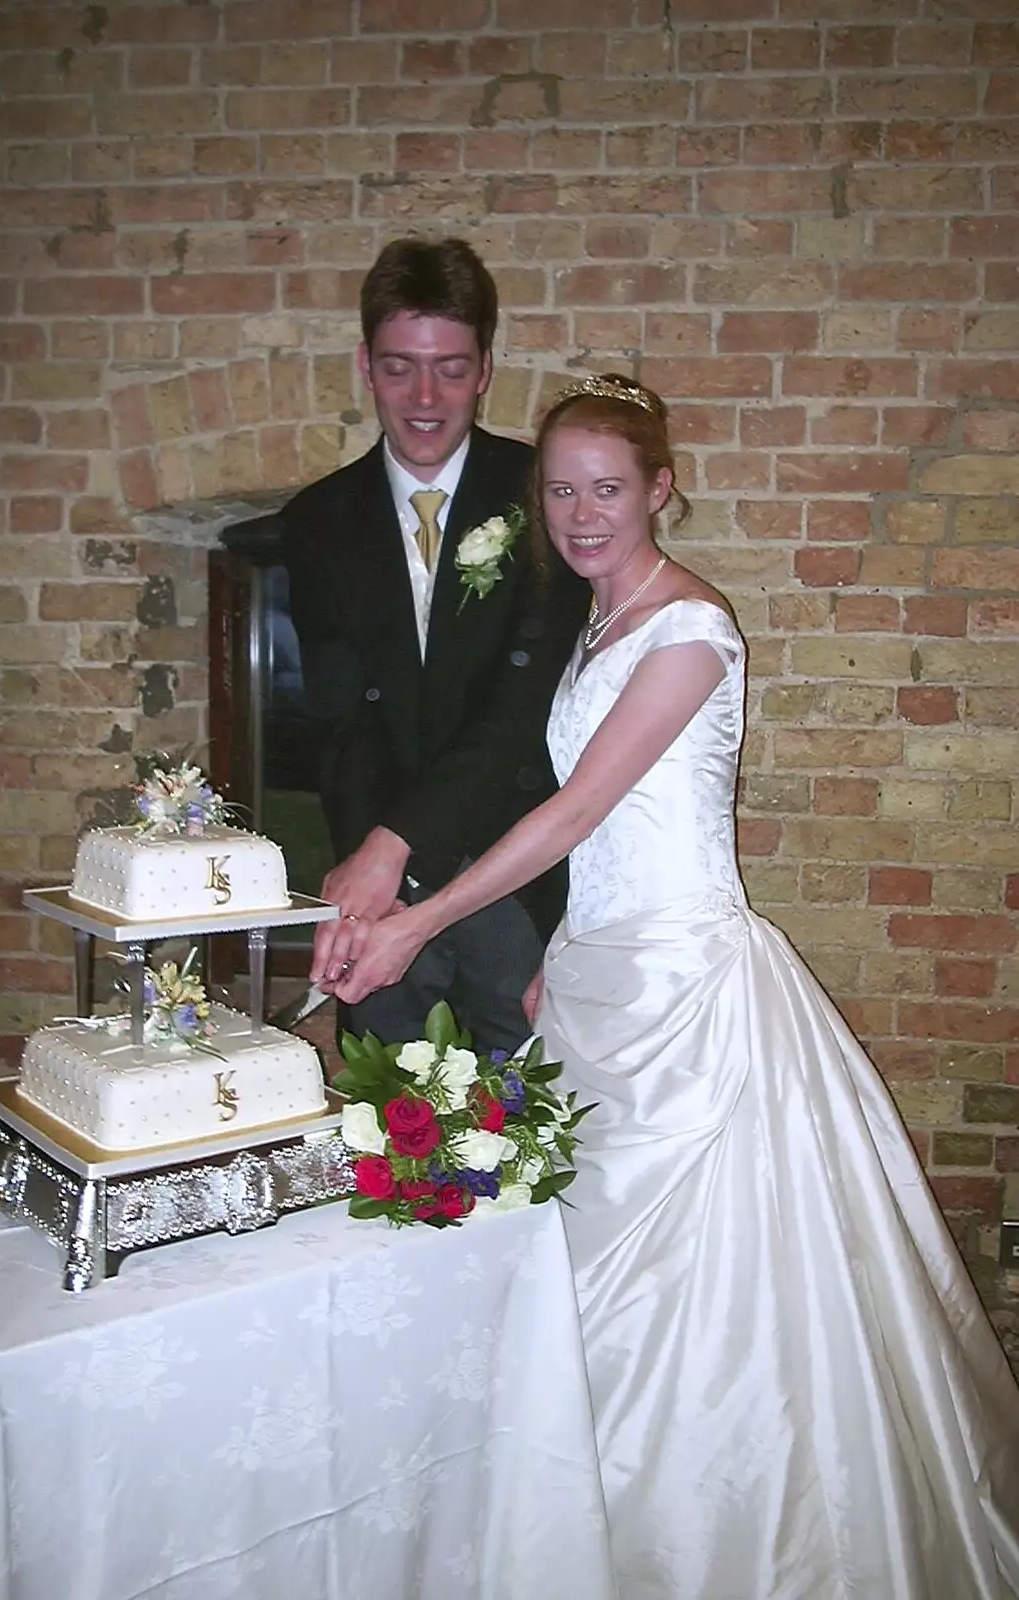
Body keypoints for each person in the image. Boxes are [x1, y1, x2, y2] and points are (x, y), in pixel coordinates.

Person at [319, 373, 1019, 1599]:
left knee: (715, 1288)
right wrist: (557, 957)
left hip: (688, 986)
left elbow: (579, 807)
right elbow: (585, 837)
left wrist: (418, 916)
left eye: (609, 489)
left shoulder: (691, 629)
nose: (583, 513)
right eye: (561, 491)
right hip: (596, 974)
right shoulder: (590, 620)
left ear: (661, 491)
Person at [279, 236, 588, 1054]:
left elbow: (524, 708)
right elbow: (340, 722)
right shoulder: (316, 521)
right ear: (363, 363)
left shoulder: (545, 496)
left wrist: (393, 846)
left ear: (485, 368)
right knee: (393, 1146)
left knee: (531, 1138)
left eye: (450, 367)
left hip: (516, 883)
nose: (424, 395)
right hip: (380, 897)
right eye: (398, 366)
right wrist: (361, 881)